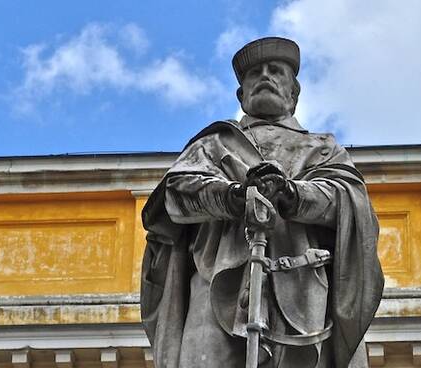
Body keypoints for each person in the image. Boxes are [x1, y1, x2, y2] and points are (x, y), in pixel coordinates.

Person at [141, 37, 383, 368]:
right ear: (242, 95)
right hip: (217, 289)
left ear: (293, 93)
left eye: (275, 70)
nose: (265, 75)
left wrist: (293, 195)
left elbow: (349, 201)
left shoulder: (322, 149)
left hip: (303, 292)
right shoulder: (213, 145)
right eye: (254, 73)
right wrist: (232, 197)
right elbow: (177, 194)